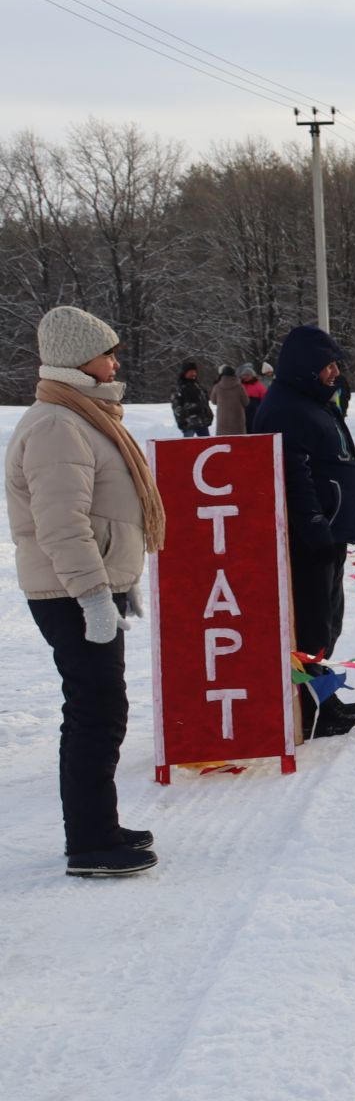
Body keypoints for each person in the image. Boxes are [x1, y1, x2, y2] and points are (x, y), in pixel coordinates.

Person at [8, 306, 166, 877]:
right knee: (95, 713)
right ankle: (90, 842)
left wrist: (118, 584)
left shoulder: (83, 415)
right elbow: (62, 525)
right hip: (69, 593)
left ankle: (100, 825)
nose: (114, 361)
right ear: (80, 360)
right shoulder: (58, 424)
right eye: (106, 353)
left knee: (101, 709)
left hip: (87, 587)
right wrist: (95, 595)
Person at [253, 325, 355, 740]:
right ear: (307, 367)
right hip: (310, 539)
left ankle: (324, 697)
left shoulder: (310, 402)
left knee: (324, 624)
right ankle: (310, 709)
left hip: (327, 533)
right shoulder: (287, 409)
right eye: (328, 365)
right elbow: (291, 481)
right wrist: (317, 529)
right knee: (310, 626)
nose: (335, 372)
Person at [171, 361, 213, 437]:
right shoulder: (180, 388)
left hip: (202, 423)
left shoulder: (199, 387)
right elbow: (177, 407)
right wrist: (182, 422)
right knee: (188, 447)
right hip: (189, 424)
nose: (193, 374)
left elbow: (205, 403)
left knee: (207, 446)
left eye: (195, 371)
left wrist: (209, 415)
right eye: (191, 371)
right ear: (185, 373)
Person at [211, 364, 249, 436]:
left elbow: (213, 401)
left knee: (224, 442)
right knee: (239, 442)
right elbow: (246, 402)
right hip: (237, 419)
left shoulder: (217, 387)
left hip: (222, 420)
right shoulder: (239, 387)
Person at [238, 363, 267, 431]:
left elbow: (265, 399)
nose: (245, 377)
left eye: (247, 375)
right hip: (242, 413)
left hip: (254, 412)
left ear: (252, 376)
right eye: (244, 375)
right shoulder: (240, 385)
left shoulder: (259, 386)